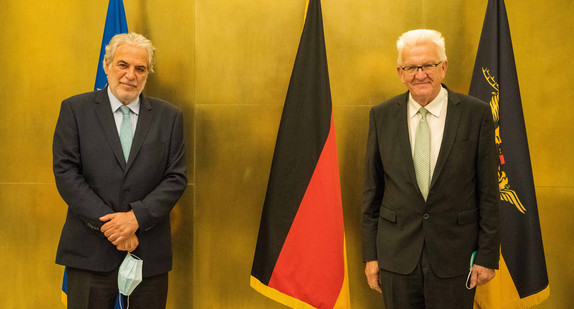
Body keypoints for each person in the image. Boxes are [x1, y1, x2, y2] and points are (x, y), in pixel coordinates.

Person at [362, 29, 500, 308]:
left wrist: (487, 255)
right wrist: (371, 256)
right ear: (400, 72)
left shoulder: (476, 114)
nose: (420, 74)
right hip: (397, 258)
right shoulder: (381, 116)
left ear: (444, 67)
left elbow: (488, 191)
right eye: (411, 67)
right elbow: (371, 192)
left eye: (428, 65)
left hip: (455, 258)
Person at [53, 32, 187, 308]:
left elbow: (175, 178)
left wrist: (136, 218)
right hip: (89, 251)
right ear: (107, 65)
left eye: (140, 69)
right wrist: (114, 227)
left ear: (147, 74)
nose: (131, 75)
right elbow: (66, 173)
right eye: (123, 65)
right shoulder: (75, 110)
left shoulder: (169, 117)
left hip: (148, 253)